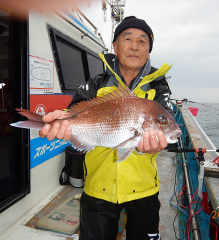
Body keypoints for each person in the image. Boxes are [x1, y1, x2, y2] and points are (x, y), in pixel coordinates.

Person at [39, 16, 173, 240]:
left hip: (144, 189)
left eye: (142, 41)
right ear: (115, 47)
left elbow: (169, 128)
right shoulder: (96, 84)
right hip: (97, 188)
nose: (134, 46)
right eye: (127, 38)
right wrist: (60, 121)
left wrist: (153, 146)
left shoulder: (159, 87)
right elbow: (72, 113)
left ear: (148, 51)